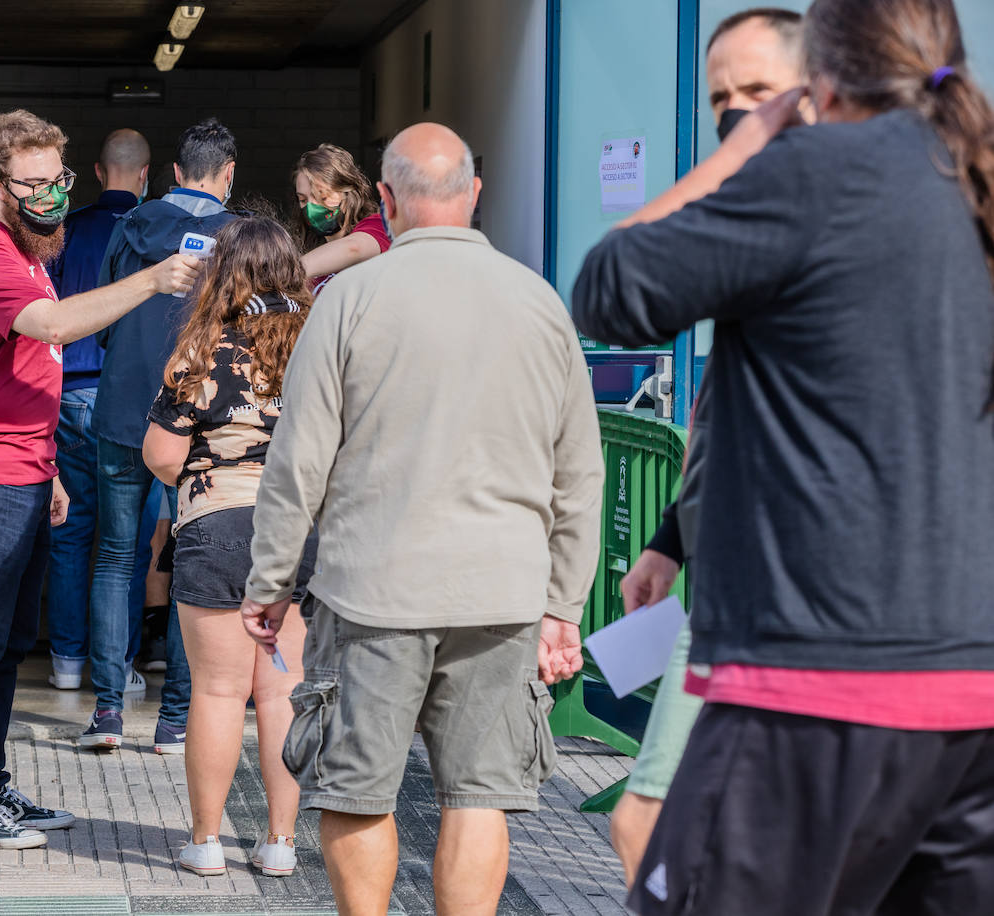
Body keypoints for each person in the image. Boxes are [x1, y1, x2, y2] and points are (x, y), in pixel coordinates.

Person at [572, 1, 994, 911]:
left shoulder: (812, 172)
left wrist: (738, 156)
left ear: (820, 82)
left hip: (810, 679)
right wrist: (675, 538)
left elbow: (608, 287)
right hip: (968, 692)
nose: (737, 109)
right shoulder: (970, 181)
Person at [241, 123, 605, 915]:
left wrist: (269, 580)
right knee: (478, 795)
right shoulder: (540, 304)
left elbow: (298, 460)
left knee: (359, 788)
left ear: (386, 200)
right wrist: (561, 605)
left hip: (373, 589)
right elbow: (579, 472)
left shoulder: (349, 300)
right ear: (475, 194)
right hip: (502, 595)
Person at [0, 109, 198, 849]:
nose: (49, 195)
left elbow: (28, 371)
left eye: (58, 180)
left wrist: (48, 469)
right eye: (33, 183)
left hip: (21, 467)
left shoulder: (26, 250)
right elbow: (51, 328)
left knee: (11, 641)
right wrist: (149, 280)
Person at [606, 5, 806, 888]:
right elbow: (721, 415)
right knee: (655, 826)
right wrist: (668, 544)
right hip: (730, 590)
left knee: (655, 824)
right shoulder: (750, 231)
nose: (737, 116)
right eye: (723, 97)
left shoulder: (837, 225)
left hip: (809, 606)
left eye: (759, 93)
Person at [143, 216, 319, 879]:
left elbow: (161, 457)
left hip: (216, 530)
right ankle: (280, 843)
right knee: (280, 694)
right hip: (295, 531)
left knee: (217, 694)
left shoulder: (202, 354)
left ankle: (207, 843)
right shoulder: (314, 355)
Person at [84, 117, 240, 753]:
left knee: (117, 556)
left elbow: (101, 318)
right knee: (190, 567)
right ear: (228, 174)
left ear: (174, 173)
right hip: (202, 419)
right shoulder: (237, 238)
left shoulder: (131, 226)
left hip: (123, 407)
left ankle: (108, 713)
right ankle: (177, 719)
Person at [45, 127, 152, 693]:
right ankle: (121, 667)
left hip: (67, 395)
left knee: (70, 532)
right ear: (146, 174)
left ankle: (65, 661)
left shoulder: (66, 231)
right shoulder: (154, 231)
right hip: (129, 403)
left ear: (95, 171)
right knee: (125, 542)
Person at [293, 143, 391, 292]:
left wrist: (288, 272)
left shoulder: (377, 226)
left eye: (322, 196)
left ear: (348, 193)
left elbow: (354, 248)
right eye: (303, 200)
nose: (311, 207)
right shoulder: (312, 251)